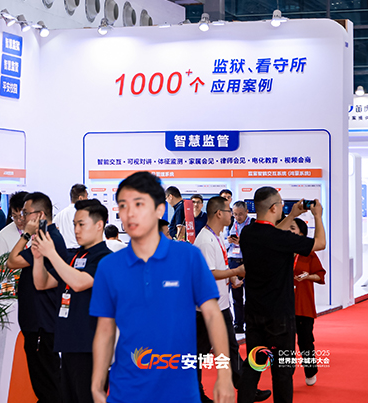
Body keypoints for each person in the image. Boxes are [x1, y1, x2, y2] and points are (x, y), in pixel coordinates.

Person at [90, 172, 233, 403]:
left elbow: (213, 316)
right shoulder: (109, 266)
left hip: (179, 391)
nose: (130, 213)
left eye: (139, 204)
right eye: (123, 205)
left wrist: (224, 375)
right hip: (126, 390)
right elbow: (105, 330)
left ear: (159, 209)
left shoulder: (189, 257)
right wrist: (97, 385)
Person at [236, 188, 325, 403]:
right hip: (280, 317)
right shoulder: (281, 238)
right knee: (282, 372)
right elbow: (320, 243)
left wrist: (292, 215)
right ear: (274, 208)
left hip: (254, 313)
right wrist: (317, 216)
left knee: (253, 366)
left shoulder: (247, 233)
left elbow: (271, 234)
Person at [32, 199, 112, 403]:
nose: (76, 230)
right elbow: (42, 283)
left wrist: (51, 253)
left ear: (99, 225)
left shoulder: (106, 259)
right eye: (74, 224)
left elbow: (79, 282)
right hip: (69, 342)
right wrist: (39, 258)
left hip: (91, 345)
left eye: (81, 224)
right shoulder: (73, 257)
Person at [193, 197, 270, 403]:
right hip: (207, 309)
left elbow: (219, 267)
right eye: (229, 211)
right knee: (199, 354)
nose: (232, 216)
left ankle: (246, 389)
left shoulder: (217, 235)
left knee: (231, 349)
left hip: (220, 305)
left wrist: (231, 277)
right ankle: (195, 394)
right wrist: (235, 271)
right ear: (219, 213)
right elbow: (209, 273)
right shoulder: (205, 240)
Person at [7, 192, 68, 403]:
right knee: (43, 382)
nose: (22, 218)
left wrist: (25, 235)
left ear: (40, 215)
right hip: (37, 321)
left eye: (26, 213)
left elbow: (12, 261)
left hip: (42, 322)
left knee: (48, 383)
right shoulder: (45, 237)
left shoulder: (48, 239)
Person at [286, 217, 326, 386]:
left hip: (304, 305)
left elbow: (320, 275)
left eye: (292, 228)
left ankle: (310, 371)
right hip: (284, 305)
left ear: (301, 233)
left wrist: (308, 276)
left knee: (305, 342)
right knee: (285, 344)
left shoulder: (309, 253)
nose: (289, 231)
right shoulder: (282, 252)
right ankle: (285, 375)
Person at [227, 201, 251, 333]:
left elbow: (256, 244)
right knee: (236, 296)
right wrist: (229, 241)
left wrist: (242, 242)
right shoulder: (230, 223)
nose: (238, 217)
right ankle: (238, 324)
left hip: (247, 261)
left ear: (247, 212)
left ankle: (250, 323)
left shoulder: (252, 224)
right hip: (233, 260)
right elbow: (223, 243)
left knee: (250, 295)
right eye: (235, 214)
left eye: (240, 214)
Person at [0, 191, 29, 263]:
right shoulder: (3, 236)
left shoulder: (42, 230)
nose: (18, 221)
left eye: (21, 216)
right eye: (15, 216)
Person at [53, 183, 88, 249]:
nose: (87, 199)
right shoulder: (83, 214)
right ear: (80, 198)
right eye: (86, 197)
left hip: (64, 250)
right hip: (78, 250)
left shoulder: (60, 214)